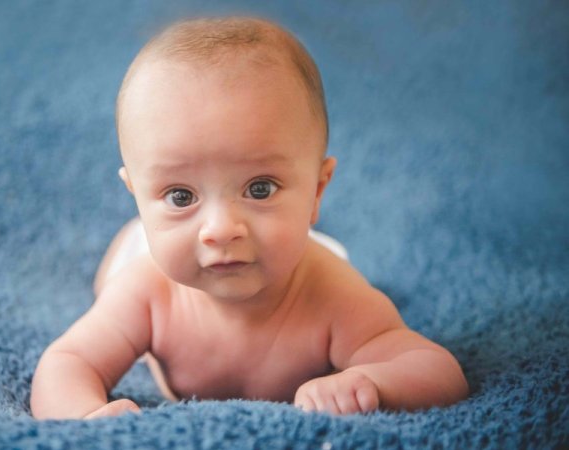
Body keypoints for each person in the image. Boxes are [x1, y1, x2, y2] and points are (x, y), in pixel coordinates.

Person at [30, 16, 469, 420]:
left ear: (318, 190)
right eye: (180, 195)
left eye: (260, 188)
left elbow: (437, 370)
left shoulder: (333, 294)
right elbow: (68, 363)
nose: (220, 229)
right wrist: (85, 418)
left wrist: (373, 382)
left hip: (298, 252)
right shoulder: (147, 293)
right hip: (143, 253)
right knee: (117, 272)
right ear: (137, 197)